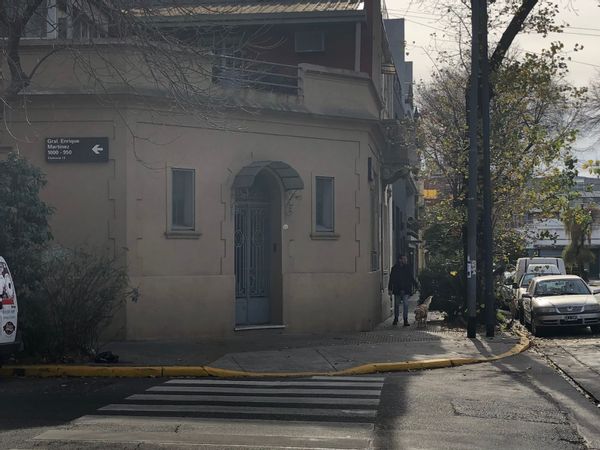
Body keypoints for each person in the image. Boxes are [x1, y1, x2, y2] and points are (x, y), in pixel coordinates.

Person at [388, 254, 419, 326]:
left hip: (406, 289)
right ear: (400, 260)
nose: (406, 260)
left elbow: (411, 277)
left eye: (406, 259)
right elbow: (391, 279)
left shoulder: (407, 268)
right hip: (397, 289)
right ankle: (396, 318)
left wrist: (416, 285)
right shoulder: (394, 268)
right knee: (396, 304)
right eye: (404, 259)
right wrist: (390, 288)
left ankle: (405, 320)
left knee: (406, 304)